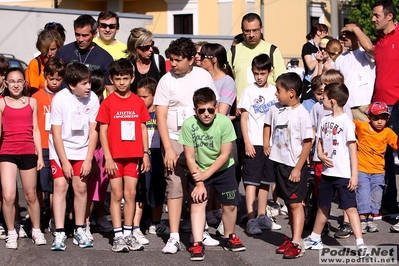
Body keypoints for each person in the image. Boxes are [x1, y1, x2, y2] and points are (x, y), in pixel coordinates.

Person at [153, 37, 218, 254]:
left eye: (178, 60)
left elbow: (211, 108)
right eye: (171, 59)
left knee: (200, 184)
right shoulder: (166, 80)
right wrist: (168, 148)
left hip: (200, 139)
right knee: (175, 186)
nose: (173, 64)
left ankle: (202, 231)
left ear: (191, 59)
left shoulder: (203, 76)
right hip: (173, 138)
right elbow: (160, 116)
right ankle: (173, 236)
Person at [303, 83, 369, 258]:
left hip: (343, 174)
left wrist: (354, 175)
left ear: (332, 101)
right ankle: (315, 238)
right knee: (322, 206)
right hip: (327, 173)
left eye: (323, 97)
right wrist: (319, 154)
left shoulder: (347, 123)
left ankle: (360, 243)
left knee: (350, 208)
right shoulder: (324, 120)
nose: (320, 99)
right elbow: (320, 142)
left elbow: (353, 150)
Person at [179, 87, 246, 261]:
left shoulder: (224, 122)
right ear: (195, 111)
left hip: (223, 168)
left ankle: (229, 236)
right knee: (198, 202)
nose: (206, 114)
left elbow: (225, 155)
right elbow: (190, 157)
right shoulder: (188, 124)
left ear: (216, 108)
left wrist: (206, 175)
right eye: (202, 110)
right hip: (198, 169)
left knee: (230, 204)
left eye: (210, 109)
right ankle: (197, 242)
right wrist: (200, 182)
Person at [96, 58, 150, 253]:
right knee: (117, 194)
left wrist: (145, 153)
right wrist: (108, 157)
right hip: (115, 157)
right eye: (117, 78)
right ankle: (118, 236)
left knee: (131, 194)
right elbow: (102, 131)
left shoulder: (138, 102)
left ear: (132, 78)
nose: (121, 82)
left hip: (134, 155)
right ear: (111, 79)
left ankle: (128, 233)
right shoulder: (108, 103)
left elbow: (143, 127)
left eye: (125, 78)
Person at [49, 62, 99, 251]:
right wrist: (64, 161)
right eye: (84, 83)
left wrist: (88, 159)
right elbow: (56, 131)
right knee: (60, 186)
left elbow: (94, 131)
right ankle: (60, 231)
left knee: (80, 187)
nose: (89, 87)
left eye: (89, 82)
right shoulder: (60, 99)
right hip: (60, 149)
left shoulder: (93, 98)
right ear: (72, 85)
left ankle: (79, 228)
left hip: (82, 150)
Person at [263, 72, 313, 259]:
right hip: (279, 163)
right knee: (289, 203)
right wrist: (266, 143)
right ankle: (293, 237)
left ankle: (297, 243)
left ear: (291, 92)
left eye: (279, 90)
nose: (276, 94)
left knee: (295, 204)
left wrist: (298, 168)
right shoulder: (276, 108)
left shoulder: (302, 114)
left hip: (294, 167)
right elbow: (267, 125)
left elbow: (307, 143)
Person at [0, 67, 47, 249]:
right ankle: (11, 231)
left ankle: (36, 230)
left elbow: (35, 129)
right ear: (5, 83)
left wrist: (40, 155)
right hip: (7, 152)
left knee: (31, 195)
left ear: (25, 83)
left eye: (19, 81)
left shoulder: (32, 102)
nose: (16, 85)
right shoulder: (2, 103)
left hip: (28, 151)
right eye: (12, 81)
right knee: (8, 195)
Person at [237, 54, 281, 235]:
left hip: (270, 144)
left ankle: (263, 215)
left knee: (265, 181)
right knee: (251, 182)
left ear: (270, 72)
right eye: (256, 73)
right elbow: (244, 117)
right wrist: (247, 142)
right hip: (253, 142)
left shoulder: (275, 92)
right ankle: (251, 217)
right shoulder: (249, 91)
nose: (259, 77)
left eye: (262, 73)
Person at [199, 42, 237, 234]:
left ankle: (225, 221)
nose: (199, 59)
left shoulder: (227, 81)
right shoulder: (201, 77)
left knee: (223, 181)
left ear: (213, 59)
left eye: (202, 56)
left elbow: (221, 112)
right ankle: (205, 217)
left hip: (221, 137)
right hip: (202, 137)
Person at [371, 0, 399, 218]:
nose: (373, 19)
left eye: (376, 15)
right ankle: (390, 204)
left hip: (397, 104)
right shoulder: (378, 42)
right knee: (385, 157)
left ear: (389, 17)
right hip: (380, 107)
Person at [133, 77, 169, 244]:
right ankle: (136, 225)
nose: (141, 100)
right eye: (138, 96)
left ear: (154, 96)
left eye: (145, 97)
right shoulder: (136, 112)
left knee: (158, 189)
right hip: (141, 156)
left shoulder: (160, 113)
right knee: (141, 190)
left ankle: (156, 222)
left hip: (158, 156)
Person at [32, 58, 66, 233]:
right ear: (45, 76)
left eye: (58, 79)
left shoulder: (65, 96)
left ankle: (55, 217)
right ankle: (37, 218)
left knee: (55, 186)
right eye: (51, 78)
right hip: (42, 146)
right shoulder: (36, 97)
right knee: (40, 185)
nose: (55, 82)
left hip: (59, 147)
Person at [354, 102, 399, 234]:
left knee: (376, 196)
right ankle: (362, 221)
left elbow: (397, 145)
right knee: (363, 195)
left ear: (387, 119)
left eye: (383, 118)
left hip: (379, 171)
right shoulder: (361, 126)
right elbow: (346, 124)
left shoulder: (388, 132)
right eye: (376, 118)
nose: (380, 121)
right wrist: (352, 139)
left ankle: (370, 220)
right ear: (369, 118)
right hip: (362, 169)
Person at [227, 13, 285, 101]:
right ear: (242, 30)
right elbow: (227, 82)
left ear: (261, 29)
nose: (251, 35)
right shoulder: (234, 52)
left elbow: (282, 81)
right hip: (241, 107)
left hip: (268, 107)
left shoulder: (272, 50)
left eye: (255, 30)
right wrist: (234, 102)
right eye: (247, 31)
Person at [84, 70, 113, 240]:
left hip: (103, 148)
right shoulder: (87, 102)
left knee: (101, 185)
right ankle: (86, 221)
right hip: (88, 148)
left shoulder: (105, 102)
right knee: (88, 187)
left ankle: (99, 217)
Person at [55, 14, 114, 94]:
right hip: (66, 103)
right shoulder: (63, 52)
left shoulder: (105, 58)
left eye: (85, 35)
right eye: (77, 34)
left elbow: (110, 90)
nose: (80, 39)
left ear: (94, 34)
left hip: (92, 104)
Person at [335, 23, 375, 122]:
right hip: (346, 106)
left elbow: (369, 48)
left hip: (364, 106)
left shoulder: (365, 54)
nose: (344, 36)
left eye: (349, 33)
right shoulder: (340, 59)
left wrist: (355, 29)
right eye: (343, 33)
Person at [126, 27, 166, 93]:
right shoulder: (128, 64)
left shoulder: (158, 60)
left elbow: (164, 88)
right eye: (146, 47)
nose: (151, 49)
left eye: (152, 45)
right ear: (135, 48)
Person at [26, 29, 64, 94]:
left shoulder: (62, 63)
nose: (49, 53)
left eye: (53, 49)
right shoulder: (35, 63)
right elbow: (34, 91)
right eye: (46, 50)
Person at [301, 23, 328, 100]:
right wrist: (318, 59)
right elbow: (310, 66)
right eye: (325, 32)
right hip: (309, 82)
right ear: (319, 32)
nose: (327, 34)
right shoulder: (307, 47)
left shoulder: (322, 46)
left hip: (321, 82)